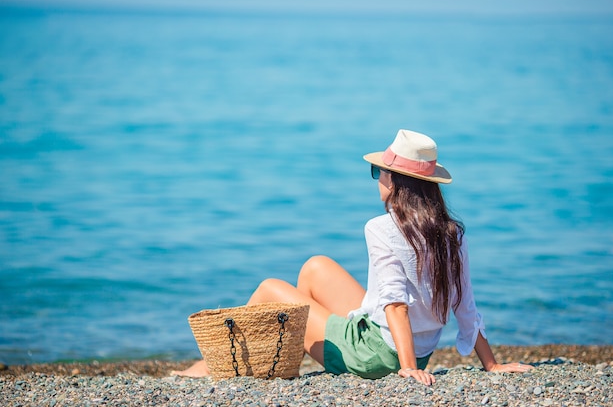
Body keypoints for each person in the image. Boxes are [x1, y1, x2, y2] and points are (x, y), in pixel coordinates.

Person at [174, 129, 533, 384]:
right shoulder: (452, 234)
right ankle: (288, 357)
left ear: (397, 182)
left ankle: (214, 363)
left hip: (377, 356)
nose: (376, 178)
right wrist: (491, 365)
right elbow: (464, 304)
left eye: (379, 172)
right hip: (414, 350)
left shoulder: (381, 228)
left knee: (269, 288)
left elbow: (395, 304)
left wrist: (407, 370)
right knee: (315, 268)